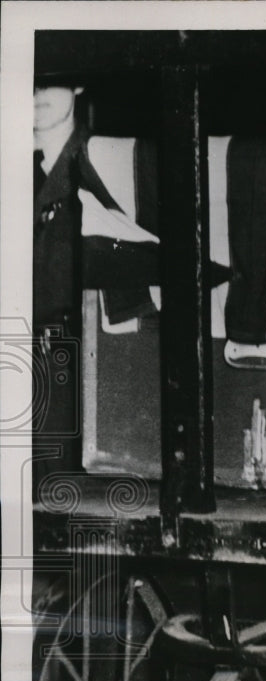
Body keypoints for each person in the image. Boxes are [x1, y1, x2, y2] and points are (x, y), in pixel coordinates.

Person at [33, 80, 89, 492]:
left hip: (69, 360)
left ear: (80, 82)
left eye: (49, 78)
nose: (35, 92)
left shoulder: (110, 162)